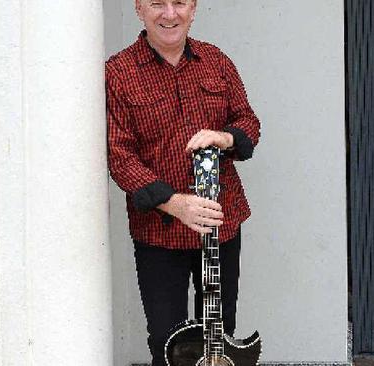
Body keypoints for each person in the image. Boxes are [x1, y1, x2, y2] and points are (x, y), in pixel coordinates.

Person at [105, 1, 261, 364]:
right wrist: (175, 203)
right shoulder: (118, 72)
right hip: (159, 234)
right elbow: (119, 155)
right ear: (139, 9)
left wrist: (226, 138)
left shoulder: (216, 61)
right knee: (167, 341)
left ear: (193, 9)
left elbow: (247, 120)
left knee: (218, 335)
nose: (169, 14)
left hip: (221, 226)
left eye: (180, 3)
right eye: (157, 3)